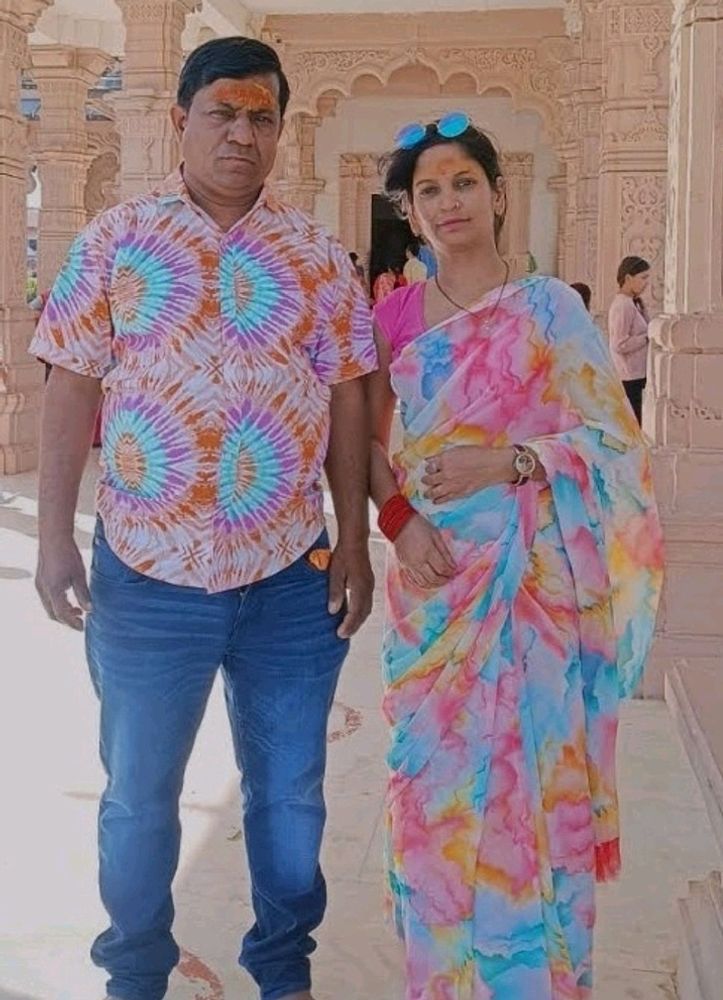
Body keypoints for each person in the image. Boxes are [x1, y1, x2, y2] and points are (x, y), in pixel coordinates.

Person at [30, 36, 377, 1000]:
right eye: (222, 113)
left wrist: (352, 538)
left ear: (279, 130)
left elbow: (349, 395)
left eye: (261, 116)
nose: (242, 134)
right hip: (149, 579)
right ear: (179, 120)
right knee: (139, 799)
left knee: (291, 798)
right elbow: (69, 384)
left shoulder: (315, 256)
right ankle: (135, 974)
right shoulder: (114, 241)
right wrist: (58, 535)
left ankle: (282, 968)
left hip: (288, 580)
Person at [367, 114, 663, 999]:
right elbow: (358, 440)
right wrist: (397, 521)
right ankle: (446, 977)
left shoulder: (549, 310)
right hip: (435, 587)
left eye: (464, 183)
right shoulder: (393, 317)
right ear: (409, 212)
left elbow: (616, 445)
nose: (448, 201)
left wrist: (515, 460)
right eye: (428, 190)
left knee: (537, 781)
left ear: (498, 194)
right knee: (434, 798)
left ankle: (536, 978)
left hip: (538, 585)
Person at [608, 256, 651, 425]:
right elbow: (619, 344)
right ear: (628, 278)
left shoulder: (632, 303)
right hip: (629, 376)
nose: (646, 283)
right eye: (643, 278)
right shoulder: (623, 305)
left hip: (637, 374)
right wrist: (646, 338)